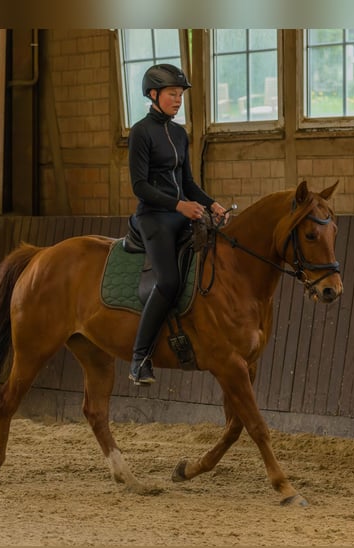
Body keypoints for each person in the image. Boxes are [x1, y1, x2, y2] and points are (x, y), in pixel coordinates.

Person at [127, 63, 228, 386]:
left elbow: (187, 182)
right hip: (154, 217)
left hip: (183, 213)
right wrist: (178, 206)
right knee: (169, 281)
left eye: (180, 94)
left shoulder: (179, 133)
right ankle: (139, 358)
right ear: (154, 95)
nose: (178, 100)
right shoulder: (141, 132)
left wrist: (211, 203)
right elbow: (140, 186)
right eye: (173, 94)